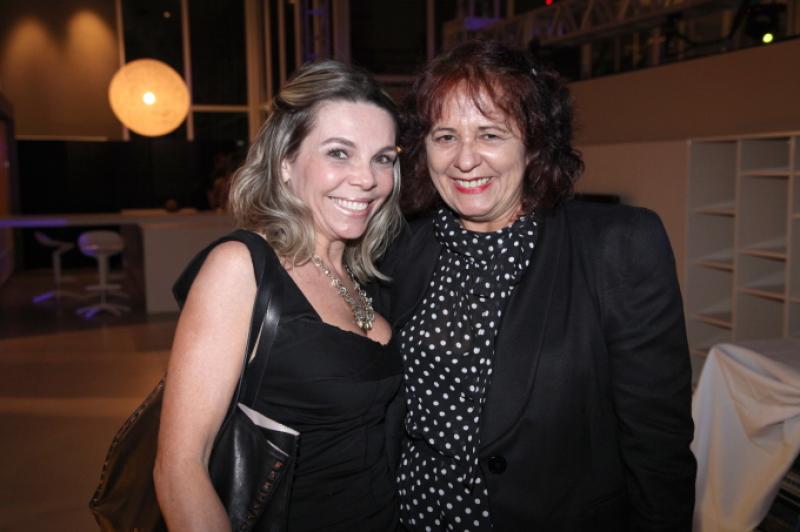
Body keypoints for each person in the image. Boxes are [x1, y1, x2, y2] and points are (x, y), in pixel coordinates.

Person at [379, 40, 696, 531]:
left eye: (490, 134)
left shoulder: (618, 245)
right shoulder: (398, 248)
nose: (465, 159)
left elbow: (658, 442)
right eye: (445, 136)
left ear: (533, 144)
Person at [154, 60, 404, 531]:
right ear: (285, 162)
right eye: (339, 153)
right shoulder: (242, 268)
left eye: (383, 158)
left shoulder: (363, 274)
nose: (367, 179)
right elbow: (179, 470)